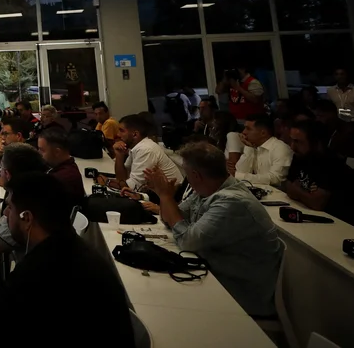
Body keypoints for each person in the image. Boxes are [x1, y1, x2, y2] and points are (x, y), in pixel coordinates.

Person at [0, 173, 135, 348]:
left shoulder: (41, 269)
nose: (6, 214)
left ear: (27, 218)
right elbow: (11, 296)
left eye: (10, 208)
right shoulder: (67, 247)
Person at [145, 141, 283, 317]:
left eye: (186, 173)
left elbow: (187, 241)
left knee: (157, 303)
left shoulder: (232, 202)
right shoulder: (207, 190)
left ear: (195, 175)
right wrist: (163, 196)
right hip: (214, 276)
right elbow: (171, 219)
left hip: (239, 294)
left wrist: (165, 196)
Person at [284, 120, 354, 225]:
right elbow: (288, 185)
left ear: (316, 143)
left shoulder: (331, 163)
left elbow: (317, 203)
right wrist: (303, 194)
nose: (292, 147)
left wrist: (297, 191)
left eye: (298, 142)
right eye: (291, 140)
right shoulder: (299, 156)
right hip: (326, 220)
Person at [104, 114, 182, 192]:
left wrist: (106, 182)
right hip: (157, 195)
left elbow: (132, 188)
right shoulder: (137, 148)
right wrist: (119, 155)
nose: (118, 134)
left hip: (171, 199)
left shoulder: (145, 149)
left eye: (121, 131)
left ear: (135, 134)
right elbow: (123, 179)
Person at [230, 114, 292, 186]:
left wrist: (240, 175)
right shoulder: (254, 146)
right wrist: (249, 147)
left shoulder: (280, 148)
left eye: (248, 129)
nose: (244, 132)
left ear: (263, 133)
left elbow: (276, 179)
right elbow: (241, 172)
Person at [37, 127, 86, 206]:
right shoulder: (66, 168)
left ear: (57, 152)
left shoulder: (62, 178)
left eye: (42, 150)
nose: (38, 153)